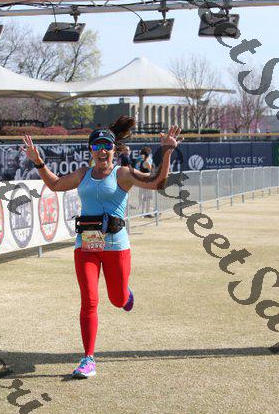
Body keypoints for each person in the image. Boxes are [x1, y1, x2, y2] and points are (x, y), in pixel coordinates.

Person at [21, 117, 183, 379]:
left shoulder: (123, 174)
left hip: (116, 246)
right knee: (89, 301)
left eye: (107, 146)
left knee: (117, 300)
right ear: (91, 151)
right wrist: (38, 161)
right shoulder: (83, 174)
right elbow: (55, 184)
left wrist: (166, 152)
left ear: (114, 149)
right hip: (86, 246)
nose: (102, 151)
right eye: (97, 147)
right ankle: (88, 358)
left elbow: (158, 183)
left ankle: (125, 295)